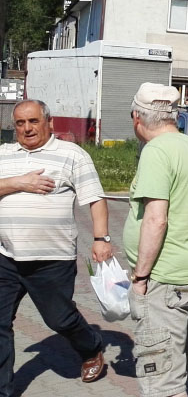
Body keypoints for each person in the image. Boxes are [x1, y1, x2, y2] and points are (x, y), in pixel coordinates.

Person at [0, 100, 111, 394]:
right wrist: (18, 183)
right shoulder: (3, 154)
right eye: (20, 123)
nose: (27, 128)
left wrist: (101, 239)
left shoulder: (72, 154)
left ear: (49, 122)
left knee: (59, 320)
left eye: (33, 121)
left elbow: (95, 199)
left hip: (51, 260)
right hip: (6, 257)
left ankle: (91, 346)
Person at [124, 83, 188, 397]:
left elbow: (156, 219)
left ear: (137, 118)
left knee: (162, 383)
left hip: (164, 277)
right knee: (175, 368)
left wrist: (140, 277)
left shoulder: (156, 150)